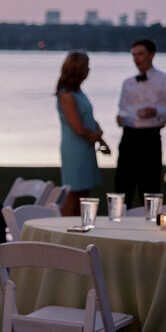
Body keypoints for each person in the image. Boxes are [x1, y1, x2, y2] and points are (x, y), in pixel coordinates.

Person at [115, 38, 166, 206]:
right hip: (128, 136)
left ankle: (150, 225)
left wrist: (157, 111)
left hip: (150, 137)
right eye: (134, 55)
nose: (137, 59)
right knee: (122, 186)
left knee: (149, 187)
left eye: (140, 54)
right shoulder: (127, 83)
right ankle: (118, 225)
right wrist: (119, 118)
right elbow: (122, 109)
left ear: (152, 55)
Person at [55, 51, 109, 216]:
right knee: (74, 194)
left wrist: (100, 136)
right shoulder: (66, 95)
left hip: (86, 148)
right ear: (77, 69)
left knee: (83, 194)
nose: (89, 70)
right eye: (87, 66)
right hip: (75, 150)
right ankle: (63, 230)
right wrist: (94, 136)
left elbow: (89, 119)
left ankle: (78, 230)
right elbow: (77, 127)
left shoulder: (78, 92)